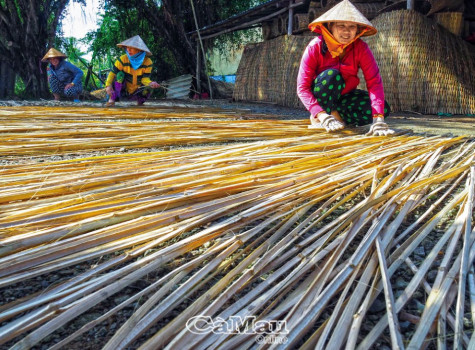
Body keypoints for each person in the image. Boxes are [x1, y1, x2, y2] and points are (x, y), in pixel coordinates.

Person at [297, 0, 394, 136]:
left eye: (352, 27)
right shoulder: (315, 47)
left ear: (358, 30)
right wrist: (321, 114)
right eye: (341, 25)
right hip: (323, 98)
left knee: (383, 108)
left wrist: (378, 120)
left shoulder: (361, 48)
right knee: (332, 75)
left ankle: (337, 117)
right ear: (330, 26)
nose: (347, 31)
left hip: (345, 97)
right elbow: (302, 88)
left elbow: (374, 83)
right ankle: (320, 118)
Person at [105, 35, 160, 106]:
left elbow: (145, 79)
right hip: (123, 89)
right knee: (119, 75)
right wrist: (108, 85)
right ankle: (112, 98)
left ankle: (138, 101)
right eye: (127, 47)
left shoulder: (148, 62)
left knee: (148, 88)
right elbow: (112, 73)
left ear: (139, 49)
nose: (128, 50)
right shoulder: (122, 59)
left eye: (131, 48)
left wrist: (150, 83)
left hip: (137, 89)